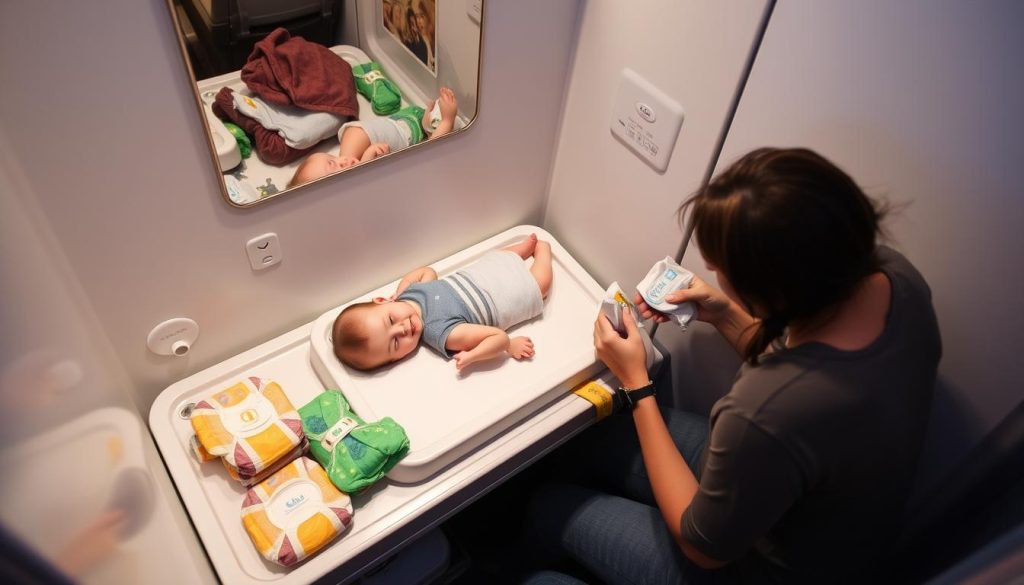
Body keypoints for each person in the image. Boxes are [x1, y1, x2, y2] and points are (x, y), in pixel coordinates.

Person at [527, 147, 942, 583]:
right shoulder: (895, 279)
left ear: (775, 293)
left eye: (722, 269)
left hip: (759, 566)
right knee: (596, 438)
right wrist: (725, 312)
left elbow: (703, 547)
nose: (711, 270)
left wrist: (637, 385)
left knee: (551, 510)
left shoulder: (764, 411)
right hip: (816, 509)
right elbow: (803, 365)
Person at [333, 233, 553, 371]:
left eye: (391, 319)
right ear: (396, 359)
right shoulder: (440, 333)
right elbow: (498, 336)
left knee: (498, 256)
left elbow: (426, 272)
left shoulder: (410, 294)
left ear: (383, 300)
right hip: (504, 297)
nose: (402, 329)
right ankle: (543, 252)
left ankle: (522, 251)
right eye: (395, 343)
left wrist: (400, 292)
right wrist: (481, 353)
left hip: (482, 273)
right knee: (540, 286)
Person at [289, 87, 457, 186]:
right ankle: (440, 124)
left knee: (352, 134)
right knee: (428, 155)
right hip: (408, 137)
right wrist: (448, 120)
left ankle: (428, 125)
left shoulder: (350, 172)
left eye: (332, 159)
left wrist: (365, 159)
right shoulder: (365, 189)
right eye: (334, 166)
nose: (342, 161)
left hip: (399, 122)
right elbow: (430, 156)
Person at [411, 0, 436, 71]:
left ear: (428, 16)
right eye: (416, 17)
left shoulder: (434, 40)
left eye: (421, 16)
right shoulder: (419, 42)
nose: (418, 21)